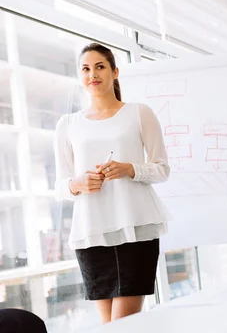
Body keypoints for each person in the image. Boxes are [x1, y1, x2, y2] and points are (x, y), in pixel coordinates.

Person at [54, 43, 171, 323]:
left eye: (100, 67)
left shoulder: (139, 113)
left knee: (124, 325)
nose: (92, 74)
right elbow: (61, 186)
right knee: (108, 327)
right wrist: (78, 183)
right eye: (85, 69)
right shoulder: (67, 124)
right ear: (80, 76)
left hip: (136, 228)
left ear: (115, 72)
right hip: (92, 232)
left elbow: (162, 169)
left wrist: (130, 168)